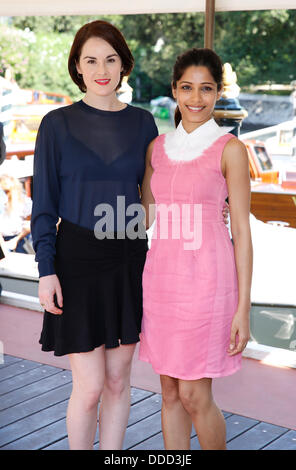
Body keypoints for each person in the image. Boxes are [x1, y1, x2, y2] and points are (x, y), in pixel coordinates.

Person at [30, 20, 158, 451]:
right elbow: (43, 207)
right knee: (89, 387)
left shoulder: (144, 124)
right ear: (78, 68)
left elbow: (151, 199)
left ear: (123, 65)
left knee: (120, 382)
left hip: (128, 260)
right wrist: (46, 271)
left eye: (110, 59)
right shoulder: (56, 124)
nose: (102, 68)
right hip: (76, 261)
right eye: (91, 60)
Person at [139, 48, 253, 450]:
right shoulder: (156, 148)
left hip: (206, 283)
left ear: (218, 92)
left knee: (193, 395)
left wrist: (243, 306)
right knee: (169, 392)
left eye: (206, 89)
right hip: (160, 283)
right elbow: (143, 218)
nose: (196, 98)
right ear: (174, 90)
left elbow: (242, 229)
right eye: (187, 88)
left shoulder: (230, 150)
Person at [0, 174, 32, 253]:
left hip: (20, 240)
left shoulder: (24, 202)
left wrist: (16, 240)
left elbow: (31, 224)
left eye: (6, 191)